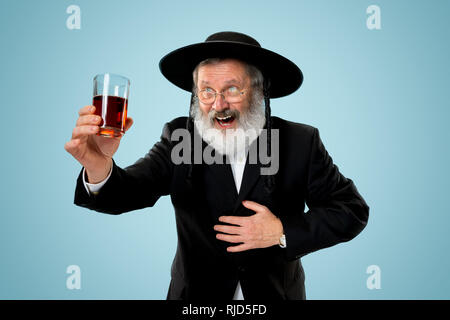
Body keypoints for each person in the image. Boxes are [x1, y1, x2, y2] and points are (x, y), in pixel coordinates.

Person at [65, 31, 369, 300]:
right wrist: (99, 164)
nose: (219, 104)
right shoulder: (179, 138)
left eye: (233, 89)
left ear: (260, 92)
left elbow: (350, 210)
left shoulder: (300, 141)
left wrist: (281, 231)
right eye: (207, 91)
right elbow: (128, 192)